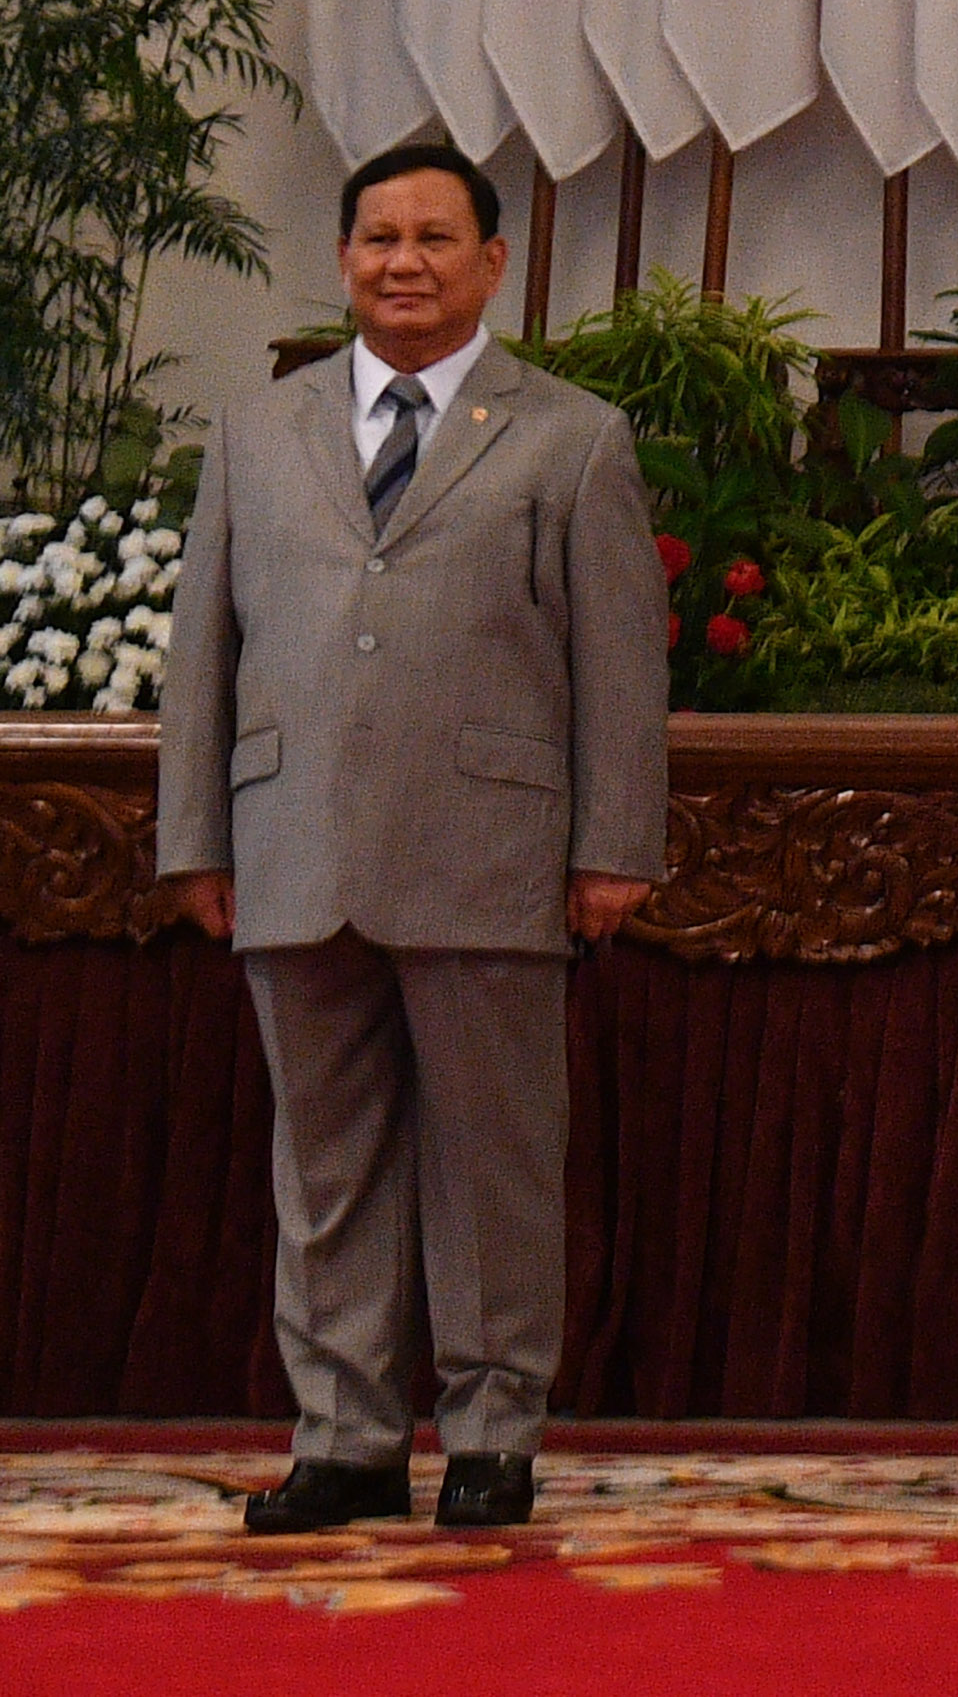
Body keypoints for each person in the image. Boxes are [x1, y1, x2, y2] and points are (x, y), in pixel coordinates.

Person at [153, 141, 671, 1534]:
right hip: (291, 849)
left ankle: (495, 1430)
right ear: (343, 260)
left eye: (436, 239)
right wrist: (196, 836)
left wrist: (612, 843)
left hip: (491, 856)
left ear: (494, 264)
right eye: (379, 238)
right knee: (323, 1170)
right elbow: (204, 645)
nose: (405, 263)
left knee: (495, 1162)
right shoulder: (261, 431)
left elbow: (620, 669)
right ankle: (346, 1436)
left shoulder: (572, 435)